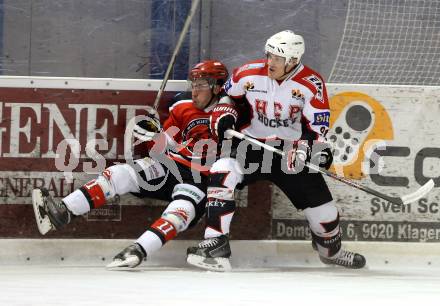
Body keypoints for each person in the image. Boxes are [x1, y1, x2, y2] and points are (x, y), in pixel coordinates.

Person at [186, 30, 366, 271]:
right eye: (269, 55)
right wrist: (224, 112)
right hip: (250, 145)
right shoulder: (247, 73)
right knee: (222, 170)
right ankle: (215, 244)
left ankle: (331, 252)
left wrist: (303, 149)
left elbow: (317, 127)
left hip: (289, 152)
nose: (270, 62)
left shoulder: (311, 84)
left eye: (277, 58)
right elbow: (229, 98)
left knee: (325, 214)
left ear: (292, 61)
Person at [32, 60, 229, 269]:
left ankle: (138, 250)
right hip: (170, 166)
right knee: (118, 174)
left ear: (217, 87)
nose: (194, 91)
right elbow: (165, 144)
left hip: (200, 180)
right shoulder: (182, 107)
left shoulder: (231, 115)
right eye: (193, 84)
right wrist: (153, 134)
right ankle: (62, 212)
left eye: (201, 85)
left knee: (180, 211)